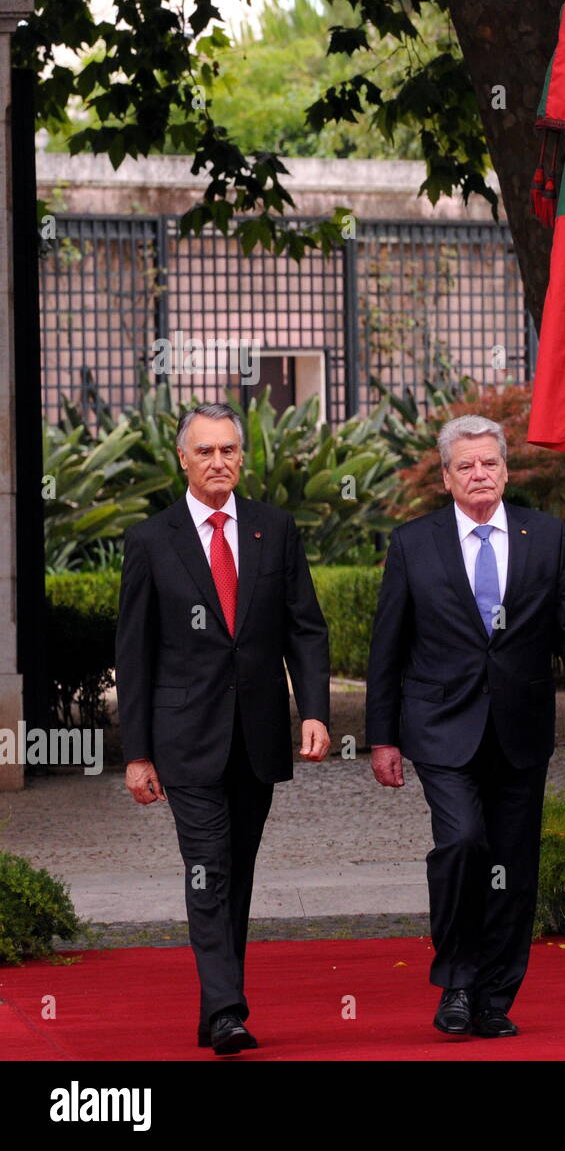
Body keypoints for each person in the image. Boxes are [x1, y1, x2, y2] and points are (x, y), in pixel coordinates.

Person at [366, 414, 565, 1038]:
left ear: (505, 470)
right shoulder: (412, 545)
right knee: (464, 843)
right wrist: (382, 737)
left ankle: (497, 995)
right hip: (441, 729)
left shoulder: (545, 536)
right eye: (465, 465)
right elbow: (386, 649)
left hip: (521, 729)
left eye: (490, 463)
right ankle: (457, 983)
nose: (479, 475)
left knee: (514, 863)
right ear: (446, 477)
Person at [116, 402, 331, 1055]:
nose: (219, 462)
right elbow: (135, 653)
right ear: (182, 459)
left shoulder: (276, 529)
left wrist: (316, 710)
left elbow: (306, 626)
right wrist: (138, 753)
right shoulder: (153, 541)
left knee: (236, 872)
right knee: (207, 866)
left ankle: (219, 1006)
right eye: (205, 451)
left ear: (243, 456)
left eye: (229, 450)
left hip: (257, 737)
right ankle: (228, 1011)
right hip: (186, 741)